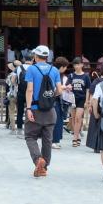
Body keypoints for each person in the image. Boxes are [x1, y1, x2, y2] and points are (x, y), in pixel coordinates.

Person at [23, 45, 62, 177]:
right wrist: (49, 99)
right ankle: (44, 167)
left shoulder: (32, 69)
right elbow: (59, 90)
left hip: (35, 109)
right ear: (47, 57)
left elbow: (29, 90)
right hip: (50, 110)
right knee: (47, 140)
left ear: (35, 56)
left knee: (30, 136)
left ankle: (38, 159)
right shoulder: (55, 70)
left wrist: (28, 108)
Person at [69, 57, 91, 147]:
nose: (76, 66)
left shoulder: (85, 76)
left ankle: (74, 137)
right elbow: (68, 86)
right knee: (73, 118)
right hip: (73, 99)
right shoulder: (71, 76)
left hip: (82, 99)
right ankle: (77, 135)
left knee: (78, 118)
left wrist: (87, 101)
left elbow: (88, 89)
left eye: (78, 64)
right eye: (75, 64)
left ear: (82, 65)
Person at [52, 56, 70, 149]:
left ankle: (55, 140)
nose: (66, 69)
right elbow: (56, 89)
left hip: (54, 100)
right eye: (65, 67)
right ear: (62, 67)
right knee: (56, 120)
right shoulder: (55, 74)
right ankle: (54, 140)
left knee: (57, 120)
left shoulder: (53, 72)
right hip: (54, 100)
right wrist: (64, 87)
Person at [5, 62, 19, 134]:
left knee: (11, 112)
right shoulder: (22, 73)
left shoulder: (12, 74)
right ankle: (9, 124)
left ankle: (13, 128)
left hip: (12, 94)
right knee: (19, 111)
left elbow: (8, 83)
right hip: (19, 94)